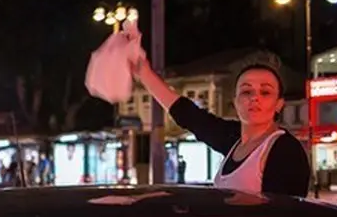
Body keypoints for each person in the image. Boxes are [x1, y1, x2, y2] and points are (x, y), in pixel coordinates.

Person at [132, 57, 311, 197]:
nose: (254, 98)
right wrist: (145, 73)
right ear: (235, 101)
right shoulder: (233, 138)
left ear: (279, 104)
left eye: (265, 92)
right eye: (246, 91)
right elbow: (189, 116)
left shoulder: (285, 150)